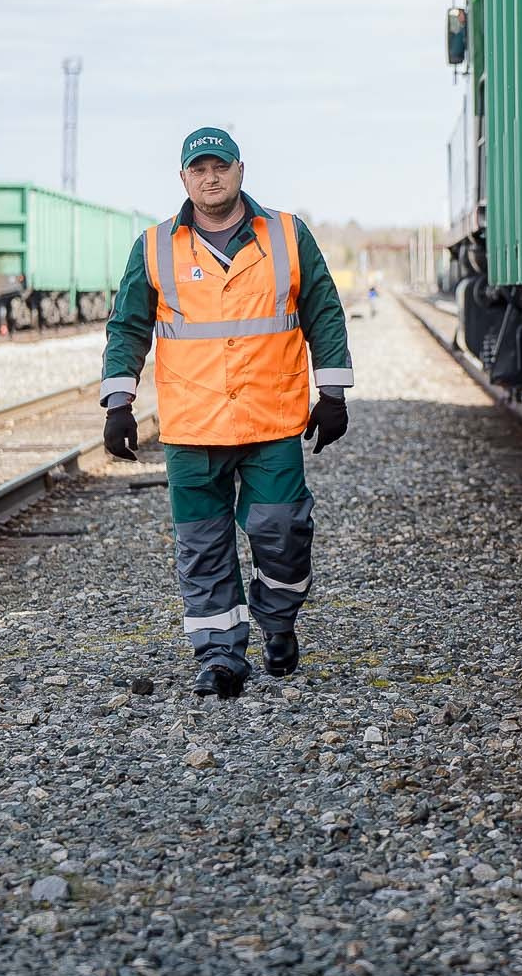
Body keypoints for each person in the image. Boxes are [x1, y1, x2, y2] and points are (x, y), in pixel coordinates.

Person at [97, 126, 354, 698]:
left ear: (241, 171)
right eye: (198, 169)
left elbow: (324, 311)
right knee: (203, 546)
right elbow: (128, 326)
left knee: (281, 533)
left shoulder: (287, 235)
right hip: (192, 427)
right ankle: (220, 658)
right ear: (184, 178)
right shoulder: (156, 246)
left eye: (221, 167)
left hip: (272, 419)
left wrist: (332, 393)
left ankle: (278, 621)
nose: (210, 178)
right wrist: (119, 402)